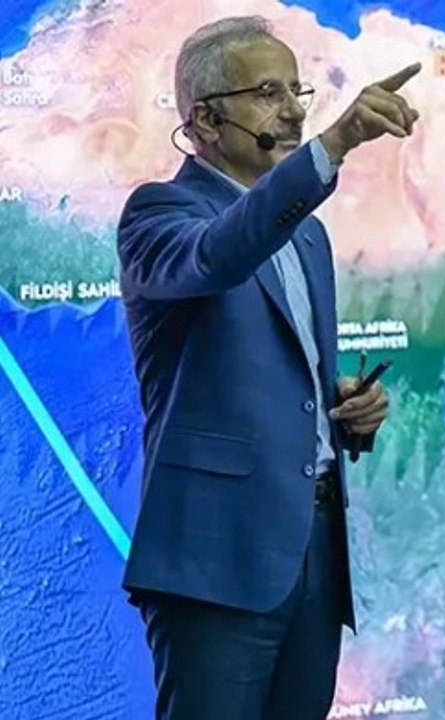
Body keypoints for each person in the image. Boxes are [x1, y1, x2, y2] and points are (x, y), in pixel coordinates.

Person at [115, 15, 420, 719]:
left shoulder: (307, 235)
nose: (292, 111)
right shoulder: (158, 214)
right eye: (267, 93)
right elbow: (218, 255)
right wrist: (333, 146)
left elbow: (283, 380)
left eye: (296, 91)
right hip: (216, 559)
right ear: (205, 119)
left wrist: (345, 408)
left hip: (313, 551)